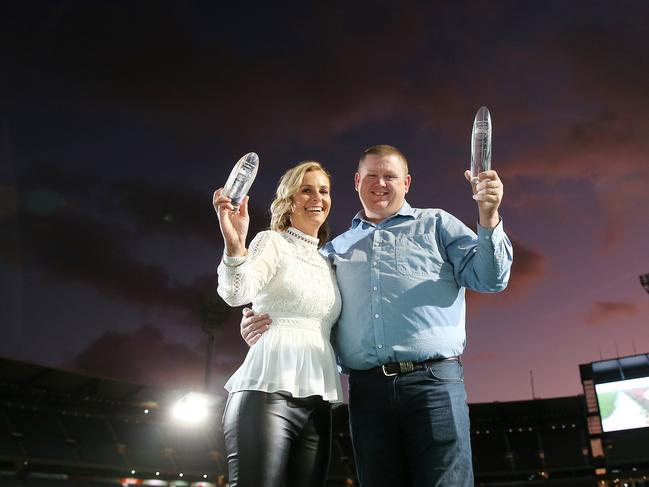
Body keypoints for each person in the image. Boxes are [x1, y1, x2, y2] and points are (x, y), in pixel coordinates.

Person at [239, 145, 513, 487]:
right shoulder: (334, 251)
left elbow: (490, 279)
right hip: (367, 392)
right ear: (357, 181)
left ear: (407, 182)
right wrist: (261, 319)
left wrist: (489, 216)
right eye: (371, 175)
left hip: (433, 385)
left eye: (390, 176)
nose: (380, 183)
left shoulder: (437, 225)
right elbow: (305, 304)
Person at [213, 161, 343, 487]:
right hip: (266, 395)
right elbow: (235, 292)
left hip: (318, 404)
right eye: (306, 190)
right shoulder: (272, 242)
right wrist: (234, 246)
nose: (317, 198)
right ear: (289, 200)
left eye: (323, 191)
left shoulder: (329, 262)